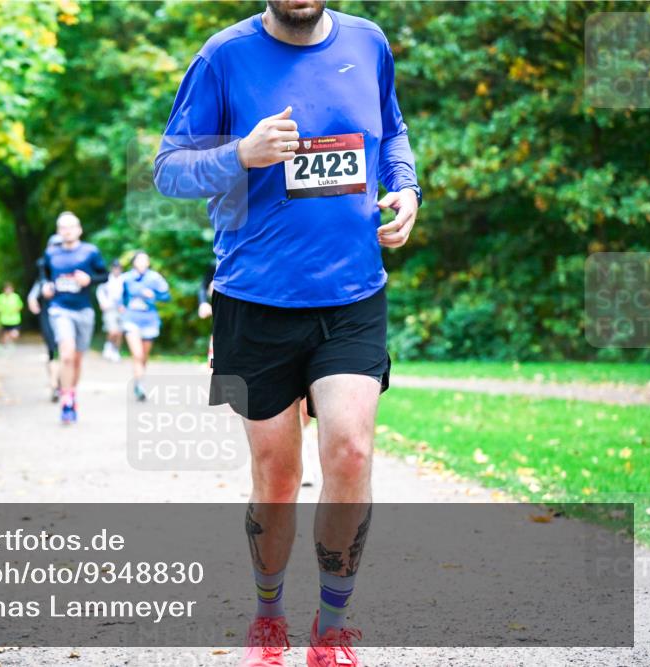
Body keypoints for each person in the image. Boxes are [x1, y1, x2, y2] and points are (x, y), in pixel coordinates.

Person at [154, 1, 421, 665]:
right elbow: (167, 167)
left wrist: (405, 186)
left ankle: (332, 627)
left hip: (354, 293)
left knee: (351, 449)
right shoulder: (223, 57)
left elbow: (391, 132)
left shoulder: (369, 41)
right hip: (254, 299)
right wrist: (239, 154)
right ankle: (269, 614)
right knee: (277, 473)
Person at [41, 211, 109, 424]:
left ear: (79, 229)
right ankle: (66, 401)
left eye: (71, 227)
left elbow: (105, 275)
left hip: (84, 311)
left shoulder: (90, 252)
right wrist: (46, 286)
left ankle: (71, 392)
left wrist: (89, 279)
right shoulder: (51, 254)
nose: (67, 231)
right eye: (63, 227)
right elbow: (43, 274)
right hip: (60, 309)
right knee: (66, 355)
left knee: (77, 360)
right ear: (58, 231)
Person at [119, 251, 170, 401]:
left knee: (144, 357)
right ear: (134, 262)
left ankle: (138, 380)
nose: (142, 263)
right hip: (131, 319)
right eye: (139, 260)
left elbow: (166, 296)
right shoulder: (126, 278)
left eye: (145, 260)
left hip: (149, 320)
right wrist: (122, 305)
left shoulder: (155, 278)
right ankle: (141, 386)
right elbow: (121, 296)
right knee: (138, 354)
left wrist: (154, 295)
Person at [28, 242, 62, 402]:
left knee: (65, 353)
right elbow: (35, 292)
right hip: (49, 316)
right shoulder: (44, 272)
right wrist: (33, 300)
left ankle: (60, 382)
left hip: (67, 317)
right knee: (52, 350)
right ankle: (55, 384)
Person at [96, 260, 125, 361]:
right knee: (112, 330)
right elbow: (100, 291)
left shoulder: (124, 279)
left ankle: (115, 350)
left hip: (121, 309)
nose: (117, 270)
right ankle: (109, 345)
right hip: (109, 307)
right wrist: (102, 303)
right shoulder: (107, 278)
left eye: (119, 268)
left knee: (120, 332)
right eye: (115, 268)